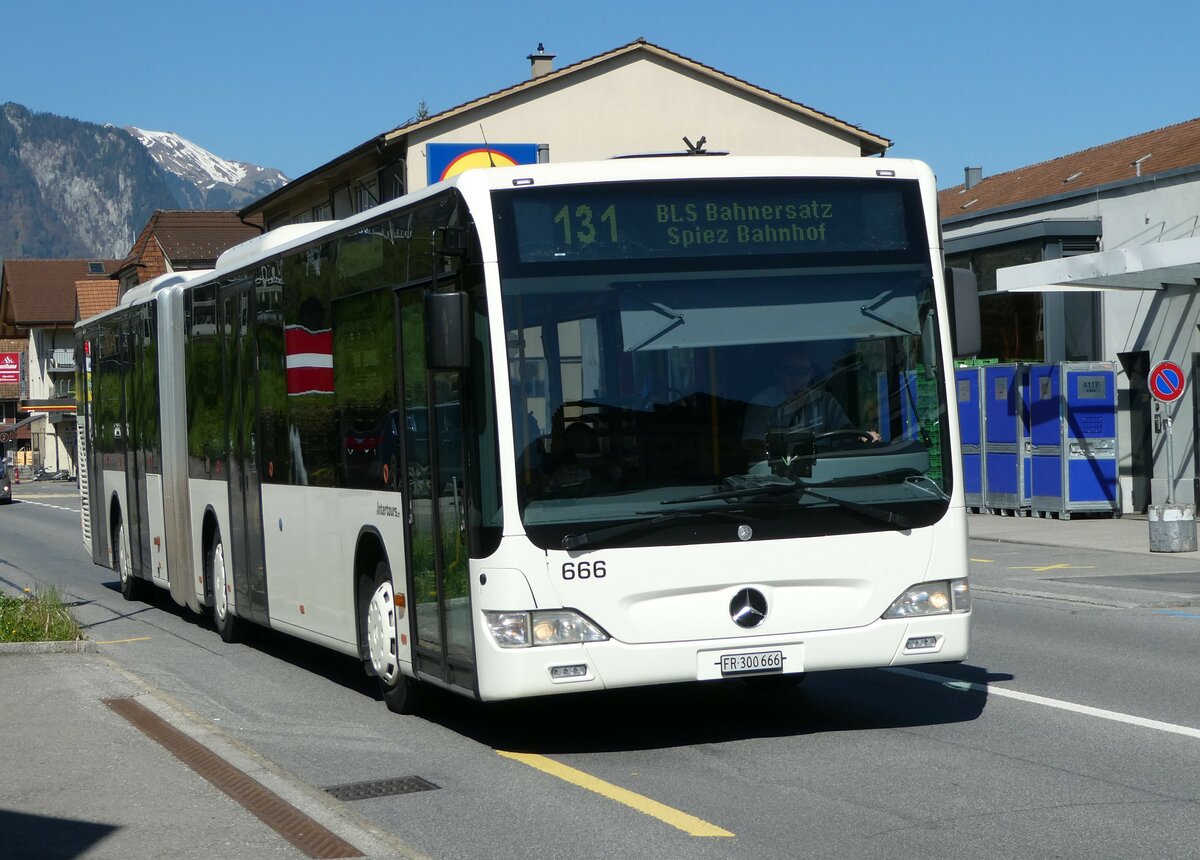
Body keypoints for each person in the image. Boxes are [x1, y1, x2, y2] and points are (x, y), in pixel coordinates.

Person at [742, 345, 876, 465]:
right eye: (789, 371)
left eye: (803, 371)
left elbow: (846, 430)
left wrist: (862, 436)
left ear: (811, 373)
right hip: (780, 470)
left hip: (824, 466)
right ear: (778, 372)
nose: (796, 377)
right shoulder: (763, 402)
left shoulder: (825, 401)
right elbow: (756, 446)